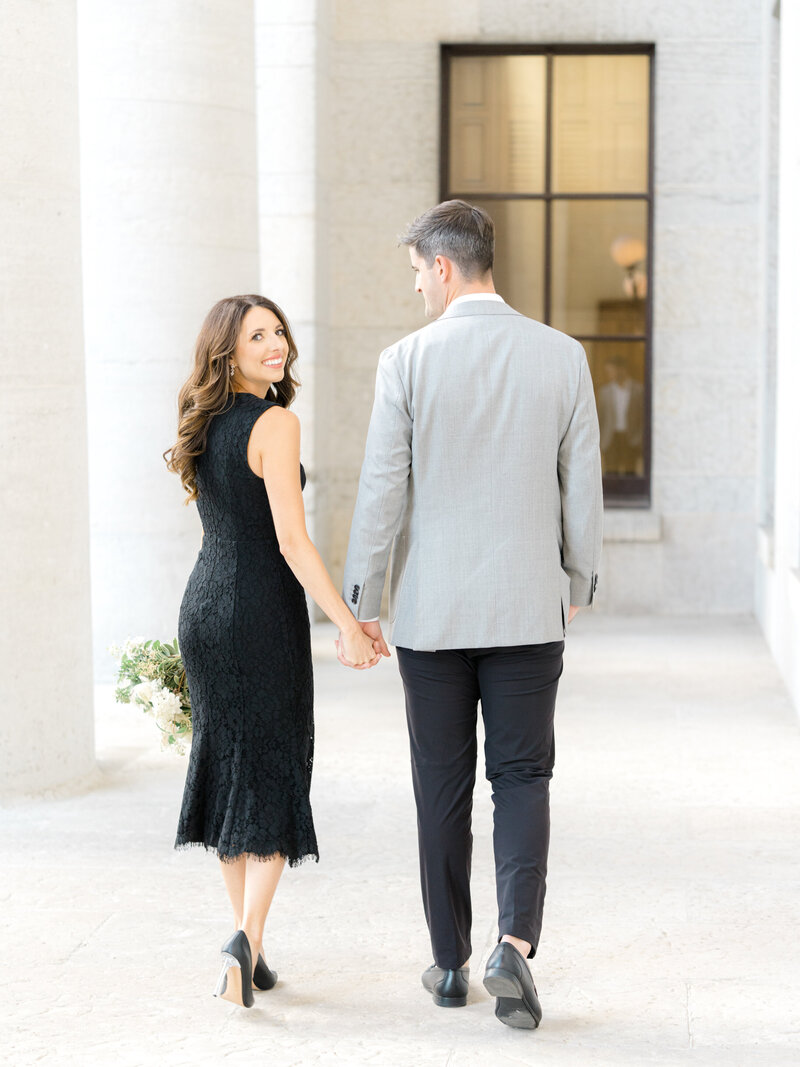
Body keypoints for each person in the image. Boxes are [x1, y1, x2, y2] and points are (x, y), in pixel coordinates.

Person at [340, 201, 603, 1030]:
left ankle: (450, 962)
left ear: (444, 267)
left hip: (433, 619)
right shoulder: (562, 357)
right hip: (528, 608)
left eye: (419, 270)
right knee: (524, 776)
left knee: (440, 787)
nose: (417, 284)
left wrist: (363, 602)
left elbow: (383, 489)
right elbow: (583, 487)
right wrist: (579, 580)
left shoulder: (407, 361)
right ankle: (513, 948)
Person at [164, 294, 380, 1009]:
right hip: (259, 615)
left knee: (229, 770)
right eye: (258, 336)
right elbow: (291, 540)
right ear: (228, 352)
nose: (275, 343)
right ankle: (245, 938)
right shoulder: (276, 423)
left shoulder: (204, 425)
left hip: (203, 610)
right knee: (277, 768)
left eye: (278, 331)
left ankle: (245, 948)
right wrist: (348, 624)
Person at [597, 354, 644, 475]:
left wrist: (639, 438)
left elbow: (643, 417)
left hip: (631, 438)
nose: (609, 375)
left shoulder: (638, 390)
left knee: (631, 474)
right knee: (611, 474)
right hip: (610, 438)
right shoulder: (605, 392)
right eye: (607, 371)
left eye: (611, 371)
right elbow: (600, 418)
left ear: (622, 369)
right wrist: (600, 440)